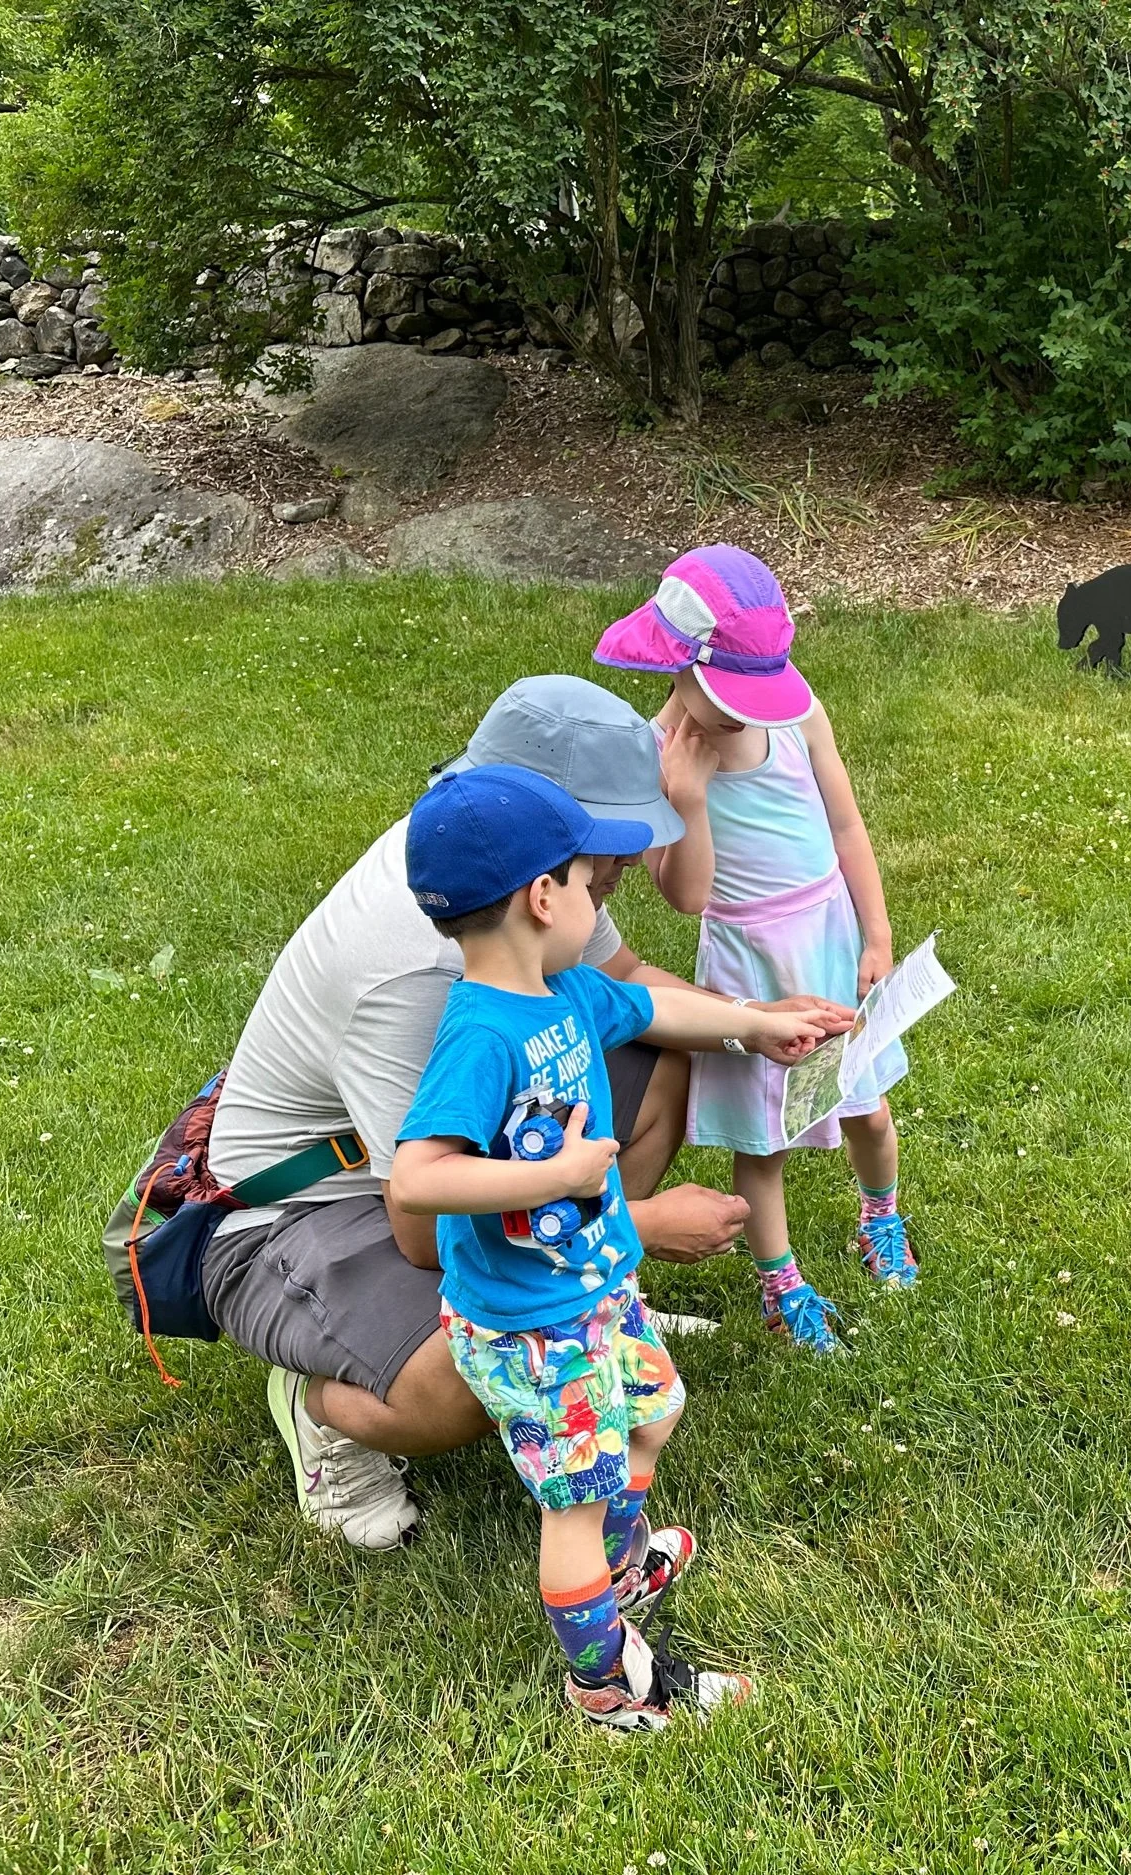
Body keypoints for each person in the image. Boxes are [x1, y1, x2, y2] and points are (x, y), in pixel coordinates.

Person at [203, 677, 842, 1550]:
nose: (622, 869)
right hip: (303, 1209)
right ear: (544, 875)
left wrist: (758, 1026)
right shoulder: (419, 976)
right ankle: (322, 1410)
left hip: (442, 1172)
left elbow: (631, 996)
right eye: (608, 847)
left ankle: (589, 1297)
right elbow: (424, 1222)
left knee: (658, 1064)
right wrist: (635, 1221)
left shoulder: (508, 884)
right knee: (478, 1367)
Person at [391, 764, 835, 1729]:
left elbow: (661, 1010)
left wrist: (760, 1026)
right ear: (542, 896)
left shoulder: (570, 994)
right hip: (528, 1327)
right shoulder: (480, 1036)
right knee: (576, 1503)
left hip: (594, 1294)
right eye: (591, 882)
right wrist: (557, 1175)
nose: (601, 896)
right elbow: (417, 1178)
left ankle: (620, 1577)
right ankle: (605, 1684)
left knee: (656, 1408)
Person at [594, 544, 915, 1357]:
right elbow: (687, 895)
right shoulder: (661, 751)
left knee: (865, 1108)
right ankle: (782, 1283)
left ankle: (880, 1215)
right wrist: (687, 800)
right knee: (761, 1141)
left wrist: (875, 932)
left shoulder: (797, 711)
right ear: (681, 668)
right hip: (746, 960)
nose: (749, 710)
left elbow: (845, 824)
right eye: (733, 696)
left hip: (826, 936)